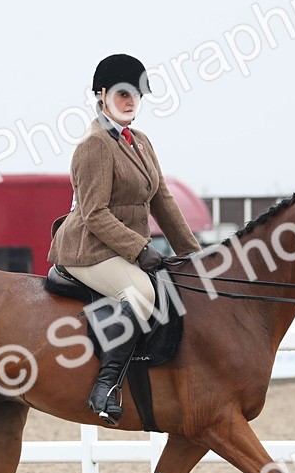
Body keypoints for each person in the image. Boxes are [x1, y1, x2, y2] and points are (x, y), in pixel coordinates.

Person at [48, 53, 202, 425]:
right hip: (87, 249)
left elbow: (162, 201)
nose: (131, 101)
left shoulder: (142, 142)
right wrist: (141, 249)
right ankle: (105, 387)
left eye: (136, 94)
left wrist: (195, 255)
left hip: (122, 249)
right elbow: (94, 213)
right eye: (122, 94)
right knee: (142, 294)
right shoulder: (95, 144)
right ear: (102, 95)